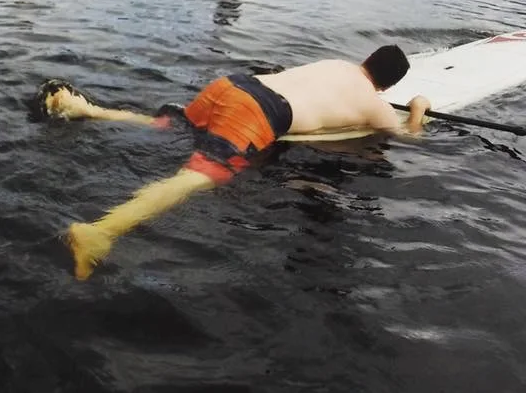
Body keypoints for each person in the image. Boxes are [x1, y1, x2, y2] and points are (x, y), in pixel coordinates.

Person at [40, 45, 430, 280]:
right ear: (388, 86)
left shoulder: (337, 65)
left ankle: (85, 110)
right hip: (260, 111)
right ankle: (101, 232)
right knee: (200, 175)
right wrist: (419, 107)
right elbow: (409, 135)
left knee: (172, 124)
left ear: (366, 59)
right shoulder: (376, 106)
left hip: (234, 84)